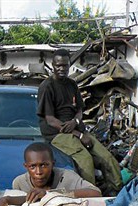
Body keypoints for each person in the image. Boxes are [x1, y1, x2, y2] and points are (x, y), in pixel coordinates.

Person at [37, 48, 123, 196]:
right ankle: (90, 196)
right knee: (85, 160)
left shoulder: (71, 84)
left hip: (76, 129)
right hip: (57, 133)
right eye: (58, 65)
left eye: (65, 65)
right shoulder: (47, 87)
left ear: (69, 65)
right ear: (53, 65)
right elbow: (50, 120)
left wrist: (76, 121)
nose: (61, 69)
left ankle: (117, 192)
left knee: (107, 157)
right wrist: (78, 134)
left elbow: (79, 110)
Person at [13, 142, 102, 203]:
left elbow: (96, 193)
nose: (39, 172)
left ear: (53, 164)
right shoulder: (20, 183)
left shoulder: (67, 177)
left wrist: (51, 194)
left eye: (44, 165)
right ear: (26, 166)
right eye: (32, 167)